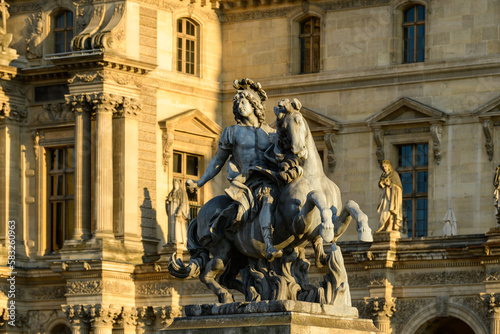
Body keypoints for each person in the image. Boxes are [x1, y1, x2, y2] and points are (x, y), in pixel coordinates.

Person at [186, 78, 282, 260]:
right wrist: (199, 183)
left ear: (254, 104)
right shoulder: (232, 132)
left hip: (270, 177)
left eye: (243, 102)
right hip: (246, 182)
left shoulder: (270, 133)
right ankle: (268, 244)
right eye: (237, 103)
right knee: (266, 197)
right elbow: (217, 161)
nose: (239, 106)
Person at [376, 160, 403, 232]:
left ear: (388, 166)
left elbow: (398, 186)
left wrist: (390, 184)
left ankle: (391, 225)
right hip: (384, 196)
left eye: (385, 166)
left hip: (392, 196)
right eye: (383, 166)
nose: (384, 168)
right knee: (383, 210)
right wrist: (381, 183)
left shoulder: (394, 174)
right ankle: (383, 225)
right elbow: (380, 185)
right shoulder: (383, 175)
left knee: (390, 210)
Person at [166, 179, 190, 245]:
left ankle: (179, 239)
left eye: (175, 183)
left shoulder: (182, 192)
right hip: (171, 210)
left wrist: (180, 211)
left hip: (178, 211)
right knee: (172, 224)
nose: (174, 184)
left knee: (178, 225)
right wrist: (168, 202)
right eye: (173, 183)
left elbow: (184, 202)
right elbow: (167, 203)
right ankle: (172, 239)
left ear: (178, 184)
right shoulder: (171, 193)